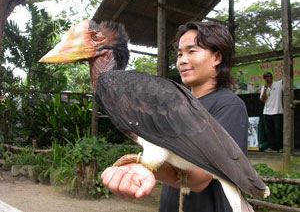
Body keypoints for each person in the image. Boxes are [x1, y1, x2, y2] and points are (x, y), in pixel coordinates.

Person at [101, 21, 249, 212]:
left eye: (192, 51)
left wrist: (141, 164)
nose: (182, 60)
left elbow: (200, 178)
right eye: (179, 54)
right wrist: (141, 164)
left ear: (217, 57)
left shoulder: (229, 104)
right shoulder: (179, 105)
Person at [260, 72, 283, 153]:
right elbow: (262, 100)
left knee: (278, 131)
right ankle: (272, 147)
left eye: (268, 77)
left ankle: (279, 147)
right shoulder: (264, 87)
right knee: (269, 132)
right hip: (266, 112)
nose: (267, 78)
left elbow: (286, 77)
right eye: (265, 77)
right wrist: (266, 89)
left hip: (277, 111)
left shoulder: (278, 84)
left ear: (272, 77)